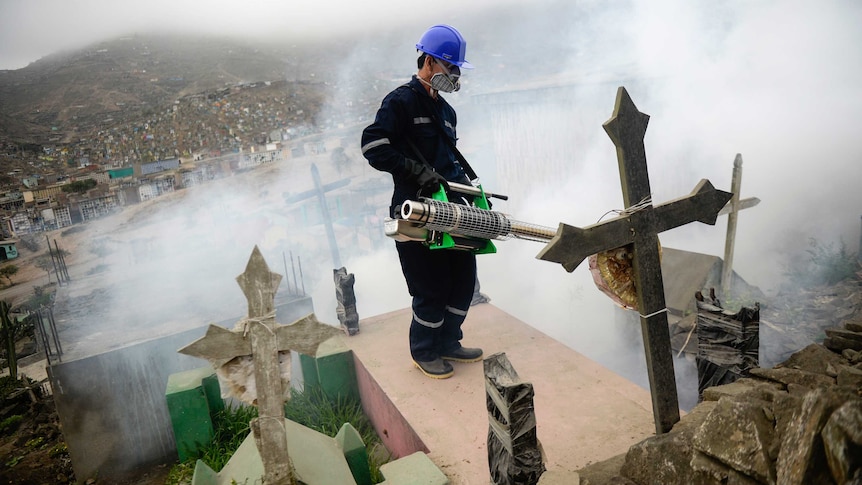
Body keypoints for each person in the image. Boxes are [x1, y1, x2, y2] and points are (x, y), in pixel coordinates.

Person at [360, 24, 483, 379]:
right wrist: (415, 171)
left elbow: (448, 163)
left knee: (462, 278)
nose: (455, 75)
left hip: (451, 209)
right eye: (450, 68)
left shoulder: (446, 112)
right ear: (429, 62)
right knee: (429, 284)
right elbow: (373, 146)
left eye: (458, 70)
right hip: (414, 209)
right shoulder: (400, 102)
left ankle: (448, 341)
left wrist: (467, 193)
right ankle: (424, 350)